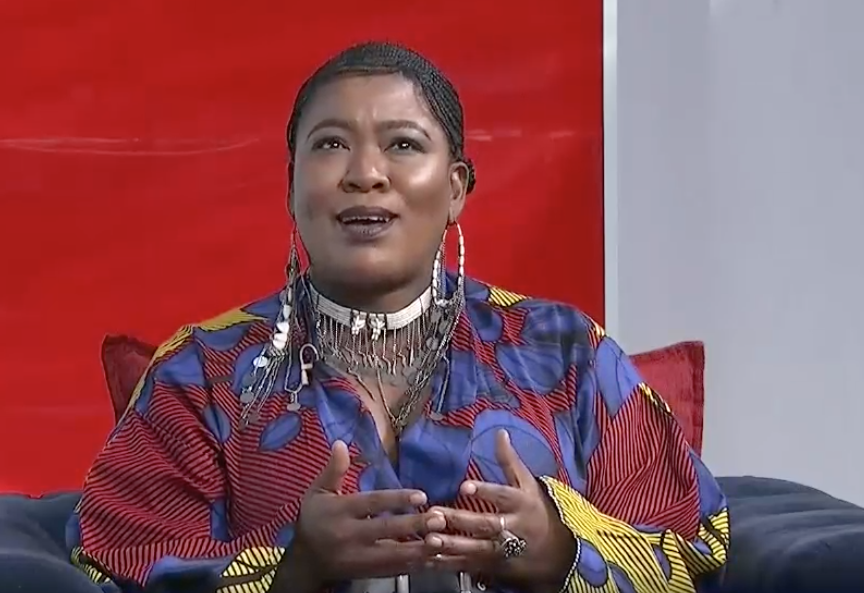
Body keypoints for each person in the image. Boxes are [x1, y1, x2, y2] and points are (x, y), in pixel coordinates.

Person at [67, 42, 729, 593]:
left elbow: (695, 546)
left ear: (455, 188)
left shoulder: (564, 350)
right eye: (331, 144)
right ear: (292, 186)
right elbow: (115, 557)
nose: (365, 173)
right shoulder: (201, 372)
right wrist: (294, 570)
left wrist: (560, 552)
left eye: (403, 144)